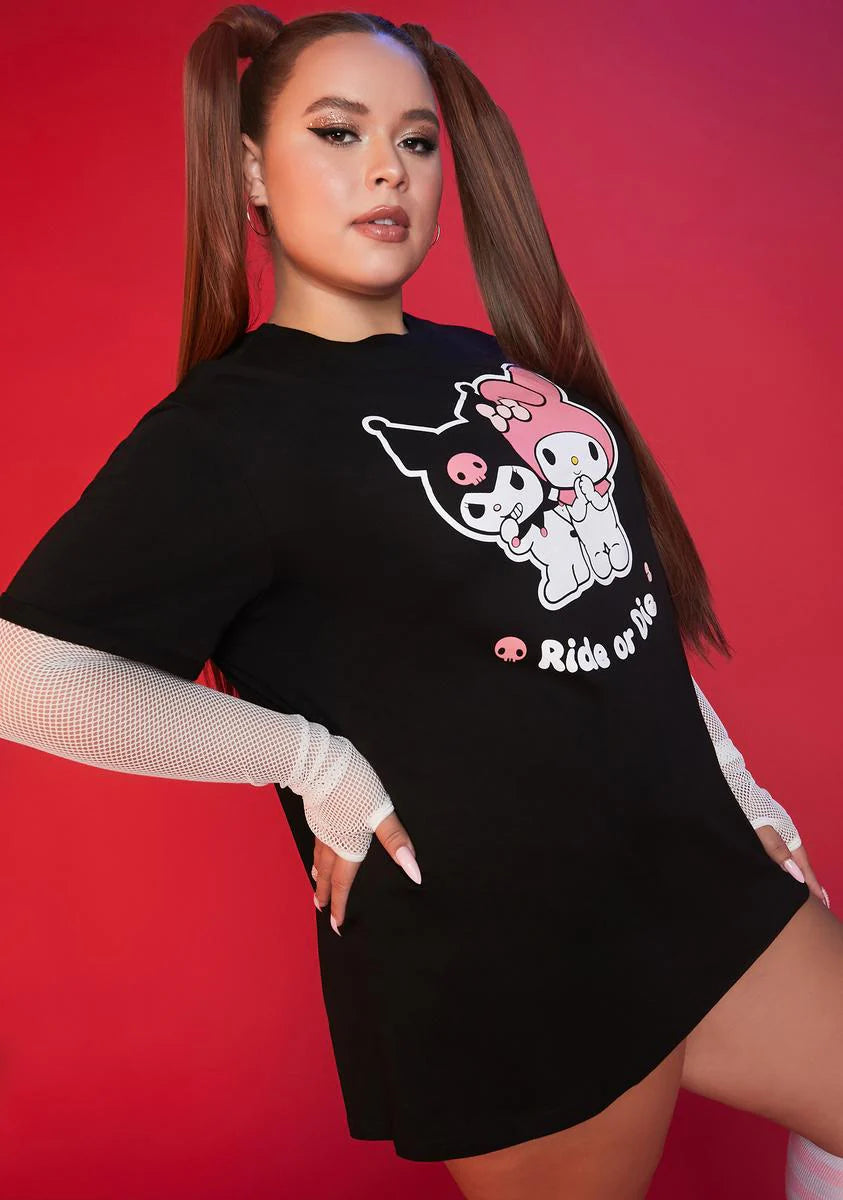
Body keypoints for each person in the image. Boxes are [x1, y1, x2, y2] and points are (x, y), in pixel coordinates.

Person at [0, 8, 841, 1197]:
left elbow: (607, 607)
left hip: (689, 876)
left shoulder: (486, 365)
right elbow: (24, 679)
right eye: (338, 132)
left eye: (416, 140)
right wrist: (314, 764)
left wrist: (735, 784)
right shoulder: (229, 431)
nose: (389, 169)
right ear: (251, 170)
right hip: (507, 947)